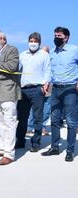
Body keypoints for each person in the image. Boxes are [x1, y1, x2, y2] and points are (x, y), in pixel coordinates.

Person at [41, 27, 78, 162]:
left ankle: (70, 150)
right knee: (55, 119)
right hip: (55, 89)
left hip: (70, 89)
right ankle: (55, 147)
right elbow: (50, 71)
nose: (56, 37)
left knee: (70, 121)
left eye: (59, 35)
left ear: (66, 37)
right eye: (55, 35)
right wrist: (46, 82)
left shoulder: (74, 50)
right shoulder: (53, 53)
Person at [0, 31, 21, 165]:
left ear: (3, 39)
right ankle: (1, 148)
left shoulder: (12, 50)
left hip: (8, 91)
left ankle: (9, 154)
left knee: (9, 122)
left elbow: (12, 67)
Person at [15, 32, 50, 152]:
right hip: (23, 89)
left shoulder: (44, 55)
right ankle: (20, 140)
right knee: (22, 118)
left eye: (35, 41)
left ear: (39, 43)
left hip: (37, 89)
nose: (33, 43)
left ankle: (36, 142)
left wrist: (45, 84)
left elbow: (47, 71)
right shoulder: (22, 55)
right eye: (31, 41)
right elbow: (17, 70)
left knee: (37, 117)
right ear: (28, 42)